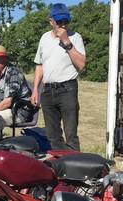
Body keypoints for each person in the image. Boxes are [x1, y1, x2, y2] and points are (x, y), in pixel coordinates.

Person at [32, 3, 86, 151]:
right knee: (52, 134)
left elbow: (81, 64)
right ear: (51, 22)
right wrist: (35, 89)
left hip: (67, 89)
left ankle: (75, 166)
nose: (63, 25)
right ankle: (60, 164)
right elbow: (39, 65)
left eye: (66, 21)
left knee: (71, 133)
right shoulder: (44, 38)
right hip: (48, 90)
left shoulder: (75, 38)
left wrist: (66, 42)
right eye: (59, 22)